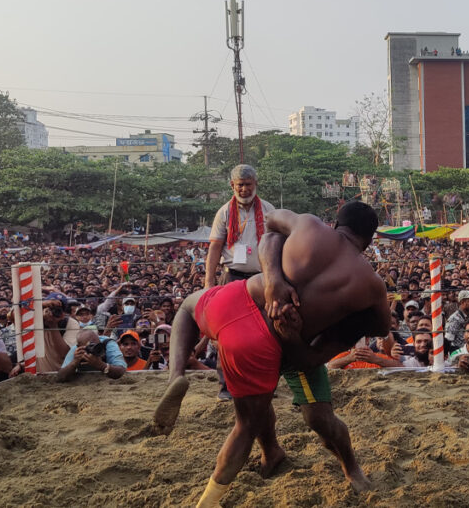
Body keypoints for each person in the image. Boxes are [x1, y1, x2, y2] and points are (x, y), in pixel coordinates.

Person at [155, 202, 388, 504]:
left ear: (335, 223)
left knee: (187, 307)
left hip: (238, 306)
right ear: (369, 240)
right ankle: (351, 469)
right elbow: (382, 327)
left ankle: (176, 375)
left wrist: (273, 279)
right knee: (301, 420)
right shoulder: (371, 283)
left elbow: (270, 229)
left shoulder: (308, 224)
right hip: (284, 343)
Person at [205, 164, 276, 400]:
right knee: (227, 334)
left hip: (261, 277)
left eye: (248, 184)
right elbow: (215, 248)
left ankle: (265, 386)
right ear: (232, 186)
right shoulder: (224, 212)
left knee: (267, 331)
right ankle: (227, 387)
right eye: (240, 185)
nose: (244, 189)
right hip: (232, 276)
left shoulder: (268, 210)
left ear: (256, 184)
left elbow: (276, 245)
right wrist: (209, 284)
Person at [56, 330, 126, 382]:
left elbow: (121, 371)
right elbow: (60, 377)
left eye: (97, 346)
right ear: (79, 346)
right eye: (90, 346)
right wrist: (74, 363)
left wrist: (101, 365)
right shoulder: (77, 350)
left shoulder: (108, 344)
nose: (94, 349)